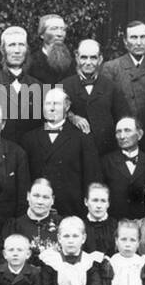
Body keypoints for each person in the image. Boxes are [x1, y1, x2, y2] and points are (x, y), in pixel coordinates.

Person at [20, 86, 100, 218]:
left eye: (56, 104)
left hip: (71, 212)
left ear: (67, 107)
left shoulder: (82, 139)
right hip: (37, 212)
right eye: (47, 104)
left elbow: (92, 178)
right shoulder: (29, 139)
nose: (51, 108)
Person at [100, 20, 145, 148]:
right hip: (120, 140)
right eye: (133, 37)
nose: (138, 42)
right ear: (125, 42)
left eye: (143, 37)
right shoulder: (111, 68)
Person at [62, 38, 131, 157]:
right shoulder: (63, 85)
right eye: (84, 57)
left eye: (93, 58)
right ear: (77, 58)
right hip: (73, 154)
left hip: (105, 154)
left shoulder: (112, 87)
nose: (88, 62)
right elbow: (52, 115)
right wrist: (71, 116)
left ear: (100, 59)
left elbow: (124, 118)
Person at [0, 25, 44, 148]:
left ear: (27, 50)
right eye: (12, 45)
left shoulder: (38, 86)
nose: (17, 51)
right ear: (2, 50)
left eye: (21, 45)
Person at [99, 116, 145, 220]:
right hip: (115, 223)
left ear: (139, 134)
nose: (122, 136)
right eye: (118, 132)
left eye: (127, 131)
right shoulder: (105, 162)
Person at [0, 178, 62, 260]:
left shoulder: (63, 225)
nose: (40, 202)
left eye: (45, 197)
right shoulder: (14, 226)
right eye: (36, 196)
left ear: (52, 200)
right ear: (28, 196)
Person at [25, 13, 73, 88]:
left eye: (63, 29)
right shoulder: (31, 63)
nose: (60, 34)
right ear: (42, 34)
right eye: (54, 29)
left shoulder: (73, 63)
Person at [81, 182, 117, 257]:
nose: (99, 206)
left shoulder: (115, 226)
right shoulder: (80, 226)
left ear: (108, 204)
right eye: (95, 200)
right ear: (86, 202)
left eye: (103, 201)